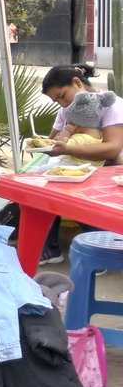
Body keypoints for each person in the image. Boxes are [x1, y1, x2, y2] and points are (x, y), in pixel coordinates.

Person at [35, 65, 123, 264]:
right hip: (83, 164)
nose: (61, 103)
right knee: (43, 185)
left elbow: (112, 149)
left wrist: (66, 148)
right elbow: (53, 140)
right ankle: (49, 246)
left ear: (77, 82)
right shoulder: (67, 109)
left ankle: (99, 250)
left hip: (113, 168)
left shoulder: (113, 105)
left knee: (75, 190)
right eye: (56, 100)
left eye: (62, 96)